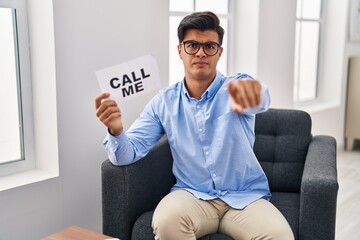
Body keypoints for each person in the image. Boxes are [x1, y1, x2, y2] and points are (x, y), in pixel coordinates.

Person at [95, 11, 294, 240]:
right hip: (192, 196)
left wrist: (255, 95)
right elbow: (124, 156)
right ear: (180, 50)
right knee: (166, 221)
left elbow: (261, 97)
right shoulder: (164, 102)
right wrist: (116, 130)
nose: (200, 52)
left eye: (209, 46)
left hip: (245, 198)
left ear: (219, 53)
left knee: (280, 236)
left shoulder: (236, 86)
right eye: (192, 45)